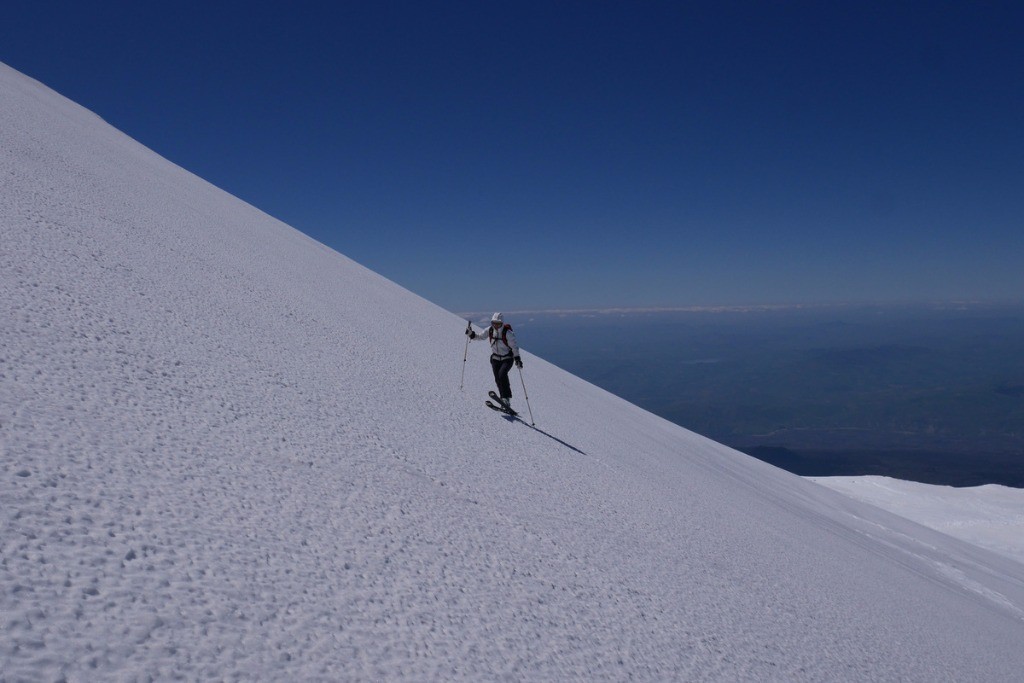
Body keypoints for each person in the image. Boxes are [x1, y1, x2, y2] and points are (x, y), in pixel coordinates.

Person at [466, 312, 523, 412]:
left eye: (498, 323)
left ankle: (506, 399)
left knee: (502, 375)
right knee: (497, 379)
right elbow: (480, 336)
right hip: (495, 359)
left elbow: (514, 347)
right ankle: (502, 398)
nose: (496, 325)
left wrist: (517, 359)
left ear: (502, 323)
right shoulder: (490, 330)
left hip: (507, 359)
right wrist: (471, 334)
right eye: (494, 323)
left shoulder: (508, 333)